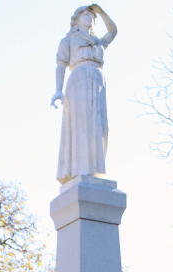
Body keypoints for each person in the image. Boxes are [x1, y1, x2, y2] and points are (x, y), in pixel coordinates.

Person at [52, 4, 117, 184]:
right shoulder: (68, 40)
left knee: (100, 127)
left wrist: (102, 12)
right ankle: (80, 171)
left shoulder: (98, 41)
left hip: (98, 81)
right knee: (81, 127)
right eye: (86, 14)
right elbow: (60, 65)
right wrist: (58, 89)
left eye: (92, 15)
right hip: (79, 81)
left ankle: (95, 169)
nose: (90, 17)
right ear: (77, 18)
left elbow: (113, 31)